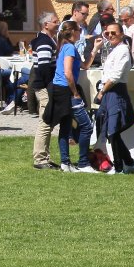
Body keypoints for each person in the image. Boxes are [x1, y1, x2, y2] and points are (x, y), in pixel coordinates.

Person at [50, 21, 95, 173]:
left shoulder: (66, 46)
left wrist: (95, 49)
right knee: (86, 126)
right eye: (79, 30)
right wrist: (75, 93)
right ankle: (83, 163)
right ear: (74, 31)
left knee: (66, 126)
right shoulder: (69, 47)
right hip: (66, 90)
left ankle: (65, 163)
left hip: (59, 89)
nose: (81, 32)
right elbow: (68, 73)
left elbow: (85, 66)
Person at [95, 22, 134, 174]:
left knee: (113, 130)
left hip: (115, 92)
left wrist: (101, 92)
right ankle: (128, 161)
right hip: (109, 92)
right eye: (108, 33)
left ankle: (119, 167)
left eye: (114, 33)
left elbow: (116, 76)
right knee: (109, 129)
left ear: (122, 34)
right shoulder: (114, 49)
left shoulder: (123, 50)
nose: (110, 35)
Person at [28, 12, 59, 169]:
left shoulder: (47, 39)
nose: (58, 24)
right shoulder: (44, 42)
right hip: (44, 86)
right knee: (45, 122)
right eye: (55, 21)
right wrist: (50, 86)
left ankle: (44, 157)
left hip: (43, 85)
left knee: (46, 121)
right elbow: (44, 67)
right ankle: (40, 159)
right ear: (46, 24)